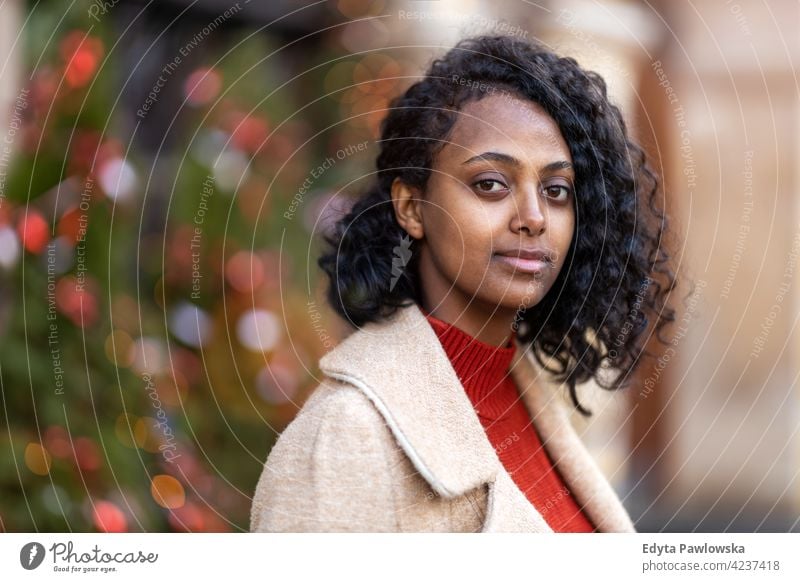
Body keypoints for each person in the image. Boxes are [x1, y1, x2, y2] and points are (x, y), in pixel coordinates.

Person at [250, 34, 677, 532]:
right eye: (490, 183)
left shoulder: (532, 396)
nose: (534, 217)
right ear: (412, 207)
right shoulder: (347, 435)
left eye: (557, 190)